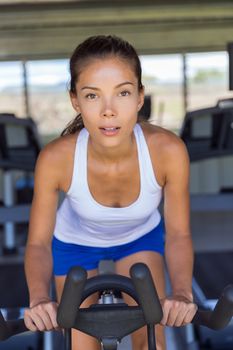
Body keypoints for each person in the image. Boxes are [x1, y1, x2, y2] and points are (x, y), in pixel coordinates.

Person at [24, 35, 197, 350]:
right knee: (81, 343)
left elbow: (178, 235)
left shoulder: (168, 150)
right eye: (92, 96)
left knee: (151, 339)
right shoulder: (56, 158)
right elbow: (37, 243)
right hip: (74, 244)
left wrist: (183, 293)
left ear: (140, 97)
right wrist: (38, 298)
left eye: (124, 93)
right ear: (75, 100)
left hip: (140, 238)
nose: (109, 111)